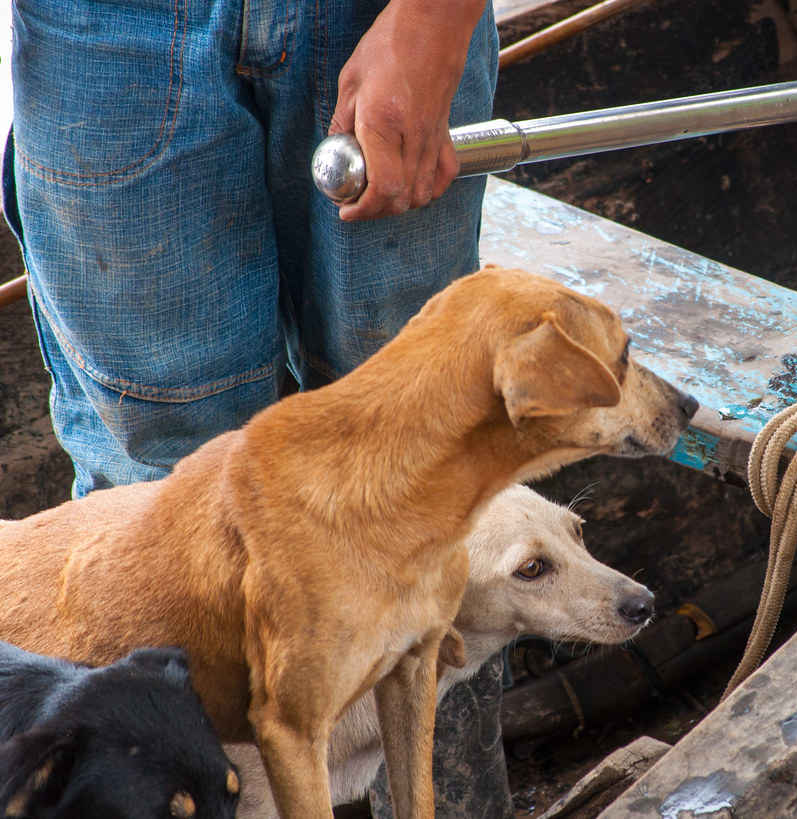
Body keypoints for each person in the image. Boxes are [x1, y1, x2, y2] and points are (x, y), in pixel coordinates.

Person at [1, 0, 511, 816]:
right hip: (101, 33)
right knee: (158, 493)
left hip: (380, 17)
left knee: (422, 469)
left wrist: (431, 22)